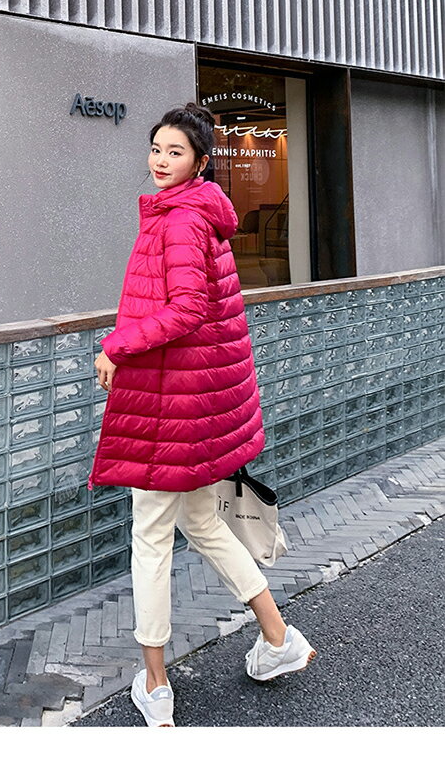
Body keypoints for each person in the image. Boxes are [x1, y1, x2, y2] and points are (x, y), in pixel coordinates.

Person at [87, 103, 316, 727]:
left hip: (171, 404)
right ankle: (277, 638)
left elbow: (186, 310)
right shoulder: (195, 212)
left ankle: (156, 683)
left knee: (150, 537)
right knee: (202, 521)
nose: (161, 161)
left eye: (175, 152)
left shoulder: (182, 219)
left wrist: (117, 346)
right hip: (195, 401)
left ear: (201, 162)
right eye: (156, 148)